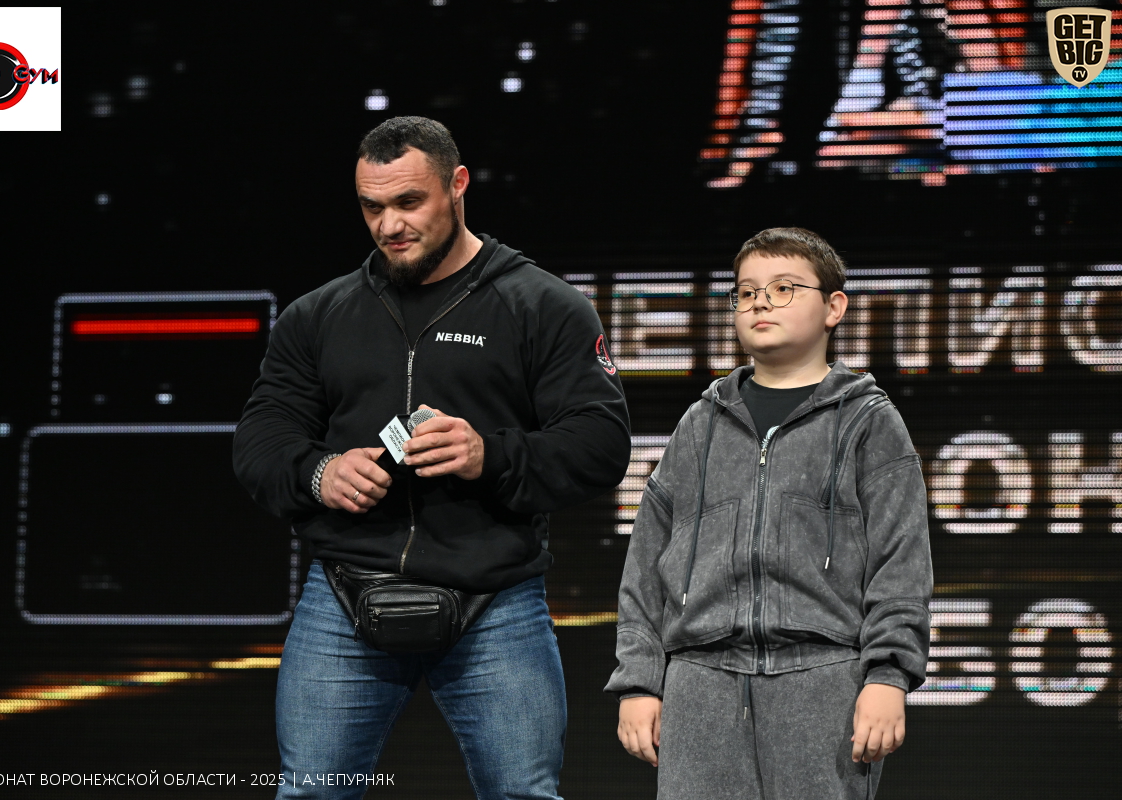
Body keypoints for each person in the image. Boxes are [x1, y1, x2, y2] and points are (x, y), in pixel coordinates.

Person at [233, 116, 631, 800]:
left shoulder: (545, 306)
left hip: (496, 600)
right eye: (372, 207)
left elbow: (600, 444)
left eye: (409, 202)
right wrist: (319, 473)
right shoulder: (316, 316)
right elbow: (260, 442)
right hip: (343, 597)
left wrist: (490, 456)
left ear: (458, 185)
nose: (390, 225)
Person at [605, 227, 932, 799]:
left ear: (834, 307)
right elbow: (646, 564)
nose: (760, 302)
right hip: (699, 684)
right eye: (746, 291)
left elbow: (901, 560)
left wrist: (888, 675)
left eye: (783, 288)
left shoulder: (868, 422)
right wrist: (639, 680)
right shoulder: (701, 425)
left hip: (823, 679)